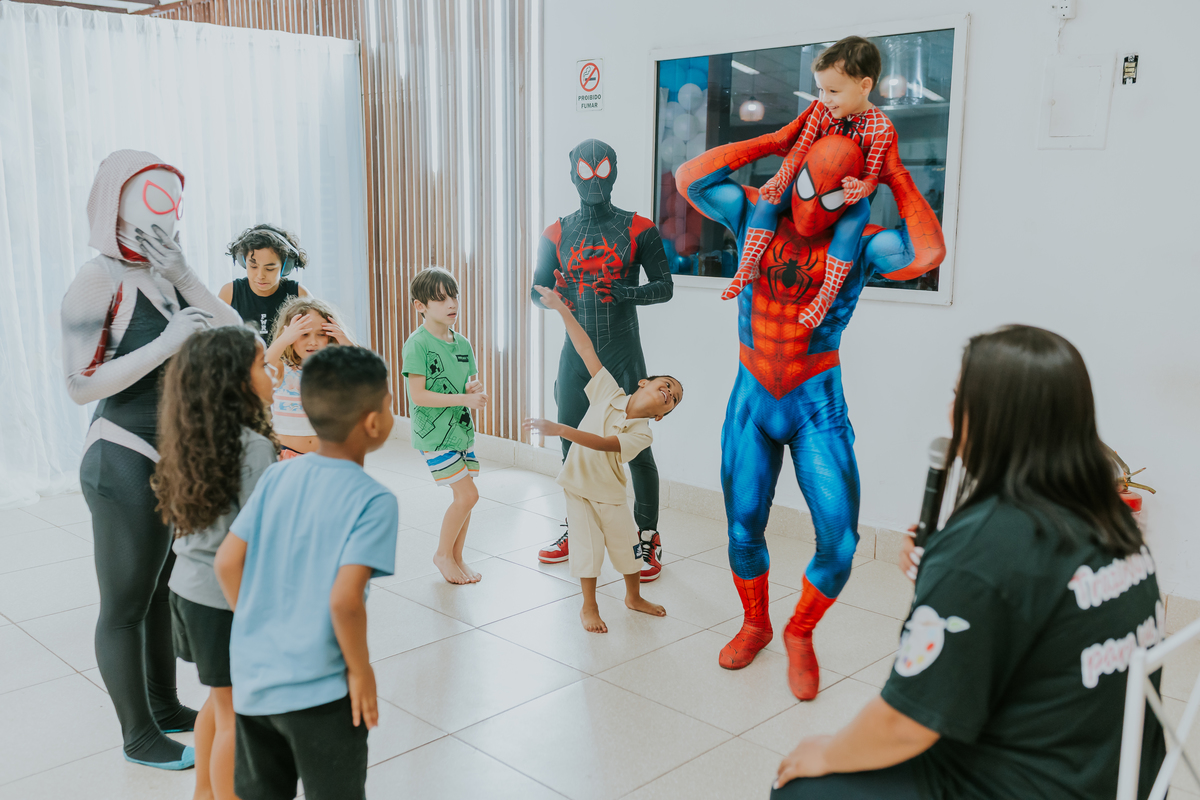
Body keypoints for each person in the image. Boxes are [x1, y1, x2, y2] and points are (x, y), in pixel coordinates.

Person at [771, 326, 1167, 800]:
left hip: (1032, 784)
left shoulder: (988, 544)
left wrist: (827, 753)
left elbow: (906, 724)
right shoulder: (1109, 517)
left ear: (992, 418)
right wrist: (943, 577)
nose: (950, 409)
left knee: (799, 788)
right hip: (1118, 775)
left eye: (959, 396)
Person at [677, 116, 944, 696]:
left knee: (840, 543)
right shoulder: (755, 210)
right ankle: (755, 623)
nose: (812, 207)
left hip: (816, 403)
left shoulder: (863, 241)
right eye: (805, 187)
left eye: (831, 196)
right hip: (752, 399)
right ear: (792, 173)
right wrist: (777, 142)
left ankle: (800, 630)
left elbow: (926, 254)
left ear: (851, 192)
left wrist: (894, 172)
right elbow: (689, 179)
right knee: (742, 528)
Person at [61, 149, 242, 769]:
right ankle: (138, 736)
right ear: (115, 203)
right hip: (122, 454)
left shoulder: (169, 274)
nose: (165, 215)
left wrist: (186, 275)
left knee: (159, 591)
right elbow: (79, 385)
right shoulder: (96, 278)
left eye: (173, 200)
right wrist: (167, 342)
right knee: (124, 607)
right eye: (153, 198)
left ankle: (163, 707)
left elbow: (237, 334)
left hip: (170, 455)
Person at [214, 346, 397, 800]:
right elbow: (345, 601)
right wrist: (361, 671)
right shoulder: (374, 500)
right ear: (373, 423)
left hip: (255, 681)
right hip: (321, 693)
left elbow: (227, 562)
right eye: (389, 402)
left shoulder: (278, 476)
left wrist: (259, 625)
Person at [531, 139, 675, 581]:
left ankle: (647, 537)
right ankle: (576, 527)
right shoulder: (555, 233)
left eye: (602, 169)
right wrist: (554, 295)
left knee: (637, 446)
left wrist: (626, 292)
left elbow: (665, 287)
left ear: (614, 172)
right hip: (575, 354)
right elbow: (536, 291)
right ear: (572, 174)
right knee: (570, 445)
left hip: (623, 352)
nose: (594, 178)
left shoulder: (640, 227)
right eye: (585, 170)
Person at [152, 326, 279, 800]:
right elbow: (262, 538)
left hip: (187, 592)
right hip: (225, 600)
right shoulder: (255, 447)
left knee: (218, 701)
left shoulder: (193, 439)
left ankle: (204, 792)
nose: (273, 373)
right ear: (236, 381)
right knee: (236, 718)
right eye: (263, 365)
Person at [523, 285, 678, 633]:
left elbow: (605, 444)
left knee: (628, 548)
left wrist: (561, 430)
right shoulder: (608, 391)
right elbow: (584, 348)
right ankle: (589, 606)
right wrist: (561, 308)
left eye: (674, 398)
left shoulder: (643, 434)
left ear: (661, 415)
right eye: (666, 384)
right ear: (643, 383)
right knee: (588, 550)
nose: (669, 392)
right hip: (578, 487)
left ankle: (633, 597)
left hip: (609, 494)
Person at [723, 36, 898, 331]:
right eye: (820, 89)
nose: (825, 98)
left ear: (864, 86)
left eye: (833, 91)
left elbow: (871, 177)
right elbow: (800, 150)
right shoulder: (820, 110)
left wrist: (861, 189)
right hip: (805, 185)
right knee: (768, 199)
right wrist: (780, 179)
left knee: (854, 223)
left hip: (845, 198)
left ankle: (825, 297)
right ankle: (748, 265)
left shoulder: (881, 128)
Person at [401, 267, 487, 585]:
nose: (451, 304)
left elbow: (464, 384)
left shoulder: (462, 343)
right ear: (420, 306)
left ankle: (456, 556)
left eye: (454, 296)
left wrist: (472, 391)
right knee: (468, 496)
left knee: (466, 498)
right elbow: (419, 395)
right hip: (435, 437)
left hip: (461, 432)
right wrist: (464, 399)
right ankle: (442, 555)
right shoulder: (417, 344)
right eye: (440, 299)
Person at [265, 296, 353, 458]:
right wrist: (283, 339)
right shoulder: (281, 368)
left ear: (330, 336)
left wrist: (344, 339)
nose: (313, 342)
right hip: (286, 455)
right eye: (304, 334)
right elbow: (261, 366)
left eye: (321, 334)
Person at [218, 224, 310, 342]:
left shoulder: (300, 295)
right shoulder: (229, 293)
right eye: (253, 266)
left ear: (285, 267)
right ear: (244, 262)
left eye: (270, 268)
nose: (260, 276)